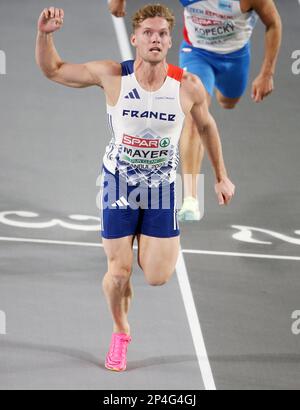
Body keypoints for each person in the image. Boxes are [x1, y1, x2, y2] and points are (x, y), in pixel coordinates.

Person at [36, 4, 235, 372]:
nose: (155, 39)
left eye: (161, 34)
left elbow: (206, 127)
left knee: (158, 276)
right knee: (118, 273)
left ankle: (148, 240)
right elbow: (54, 69)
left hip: (160, 189)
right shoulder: (113, 75)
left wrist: (221, 176)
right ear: (135, 39)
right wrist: (46, 35)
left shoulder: (187, 86)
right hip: (118, 184)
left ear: (170, 41)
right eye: (148, 33)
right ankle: (120, 330)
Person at [108, 0, 282, 221]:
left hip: (235, 55)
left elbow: (274, 23)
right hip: (196, 53)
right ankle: (191, 198)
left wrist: (267, 73)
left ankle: (214, 89)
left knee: (228, 101)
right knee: (193, 116)